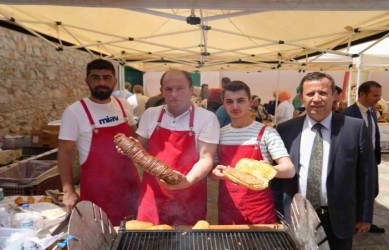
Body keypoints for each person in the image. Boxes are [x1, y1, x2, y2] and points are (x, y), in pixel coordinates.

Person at [277, 72, 376, 249]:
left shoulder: (354, 128)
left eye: (323, 93)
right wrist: (278, 213)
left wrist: (365, 215)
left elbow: (367, 175)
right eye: (310, 94)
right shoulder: (286, 130)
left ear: (334, 96)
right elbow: (277, 177)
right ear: (301, 97)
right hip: (298, 217)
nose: (316, 99)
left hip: (339, 218)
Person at [58, 59, 140, 226]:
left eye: (106, 78)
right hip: (98, 190)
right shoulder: (74, 111)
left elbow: (135, 140)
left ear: (114, 81)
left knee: (132, 232)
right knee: (100, 236)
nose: (101, 82)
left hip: (130, 185)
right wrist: (68, 190)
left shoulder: (123, 106)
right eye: (95, 78)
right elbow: (64, 152)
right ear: (87, 80)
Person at [134, 69, 220, 225]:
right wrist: (130, 149)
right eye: (168, 89)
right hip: (153, 195)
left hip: (190, 194)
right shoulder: (150, 114)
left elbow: (206, 158)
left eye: (180, 88)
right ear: (161, 91)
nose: (174, 94)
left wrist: (186, 182)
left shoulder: (206, 118)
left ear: (191, 90)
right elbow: (140, 149)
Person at [210, 80, 295, 225]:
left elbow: (289, 170)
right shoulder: (218, 134)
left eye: (240, 101)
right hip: (228, 209)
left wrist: (265, 169)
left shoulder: (267, 132)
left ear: (250, 102)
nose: (235, 106)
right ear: (223, 104)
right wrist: (214, 173)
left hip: (259, 211)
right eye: (229, 101)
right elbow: (212, 170)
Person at [342, 80, 385, 234]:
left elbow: (375, 136)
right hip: (356, 162)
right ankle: (355, 222)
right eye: (375, 95)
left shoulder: (372, 111)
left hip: (371, 160)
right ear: (362, 94)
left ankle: (366, 219)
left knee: (371, 190)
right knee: (356, 192)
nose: (378, 99)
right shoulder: (347, 114)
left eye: (379, 95)